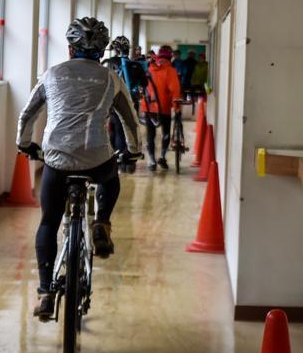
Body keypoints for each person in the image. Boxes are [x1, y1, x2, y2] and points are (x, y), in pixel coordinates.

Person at [16, 17, 141, 321]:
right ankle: (101, 223)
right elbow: (129, 119)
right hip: (97, 158)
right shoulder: (111, 78)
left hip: (57, 160)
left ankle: (46, 293)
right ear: (101, 51)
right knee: (110, 178)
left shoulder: (52, 74)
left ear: (70, 49)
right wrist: (133, 151)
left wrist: (25, 144)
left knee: (49, 222)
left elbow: (28, 114)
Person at [102, 35, 147, 172]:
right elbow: (145, 83)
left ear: (114, 49)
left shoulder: (108, 63)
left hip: (112, 102)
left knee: (116, 129)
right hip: (132, 101)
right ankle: (130, 162)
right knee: (130, 127)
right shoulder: (135, 65)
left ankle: (118, 161)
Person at [139, 45, 181, 171]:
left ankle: (151, 161)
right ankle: (162, 157)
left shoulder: (149, 68)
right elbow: (175, 90)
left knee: (150, 134)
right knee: (166, 132)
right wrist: (177, 107)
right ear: (170, 57)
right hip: (164, 107)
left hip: (148, 107)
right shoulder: (170, 70)